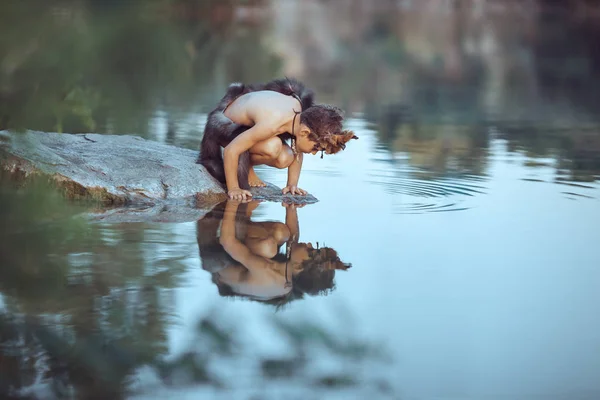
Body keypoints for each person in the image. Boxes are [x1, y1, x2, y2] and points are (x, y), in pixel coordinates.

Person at [197, 78, 358, 201]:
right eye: (316, 148)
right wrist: (233, 189)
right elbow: (232, 149)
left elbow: (298, 148)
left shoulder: (300, 118)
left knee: (285, 157)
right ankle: (248, 170)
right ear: (304, 132)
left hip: (249, 128)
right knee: (272, 146)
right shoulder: (272, 123)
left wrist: (292, 185)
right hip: (226, 125)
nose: (315, 153)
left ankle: (250, 165)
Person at [196, 200, 352, 307]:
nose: (310, 244)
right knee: (281, 232)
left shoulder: (270, 274)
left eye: (311, 250)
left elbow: (227, 242)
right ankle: (243, 216)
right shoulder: (289, 274)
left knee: (268, 246)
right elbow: (293, 239)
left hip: (217, 263)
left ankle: (234, 215)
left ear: (298, 266)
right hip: (238, 260)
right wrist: (292, 203)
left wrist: (231, 204)